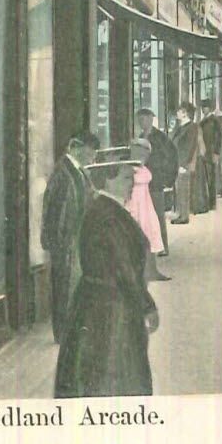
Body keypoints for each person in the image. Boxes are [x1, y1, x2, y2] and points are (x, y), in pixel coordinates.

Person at [54, 153, 159, 398]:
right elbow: (124, 269)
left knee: (92, 375)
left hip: (97, 305)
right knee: (114, 376)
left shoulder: (102, 208)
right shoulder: (109, 215)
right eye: (125, 177)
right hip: (112, 311)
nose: (132, 182)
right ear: (108, 181)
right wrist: (147, 306)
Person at [40, 131, 99, 344]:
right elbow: (53, 210)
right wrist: (56, 242)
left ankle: (71, 328)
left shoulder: (78, 171)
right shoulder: (63, 172)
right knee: (63, 286)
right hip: (65, 240)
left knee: (72, 285)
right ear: (77, 147)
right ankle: (62, 332)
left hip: (75, 238)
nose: (93, 158)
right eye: (90, 153)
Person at [124, 138, 169, 282]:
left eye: (145, 153)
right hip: (134, 202)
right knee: (138, 234)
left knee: (151, 232)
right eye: (140, 152)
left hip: (145, 203)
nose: (144, 156)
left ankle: (152, 270)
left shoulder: (142, 166)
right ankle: (138, 272)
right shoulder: (128, 167)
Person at [136, 107, 177, 252]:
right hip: (144, 179)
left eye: (144, 119)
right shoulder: (141, 137)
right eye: (140, 119)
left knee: (158, 214)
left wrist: (169, 178)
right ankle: (152, 245)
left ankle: (163, 246)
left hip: (156, 179)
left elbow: (172, 156)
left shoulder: (160, 137)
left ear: (151, 119)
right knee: (148, 214)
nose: (142, 122)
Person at [172, 102, 203, 224]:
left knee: (183, 189)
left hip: (183, 164)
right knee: (179, 189)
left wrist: (183, 165)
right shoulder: (180, 127)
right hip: (178, 162)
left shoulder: (191, 127)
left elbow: (190, 147)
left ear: (185, 113)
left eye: (179, 111)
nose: (177, 113)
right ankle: (181, 213)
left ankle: (184, 216)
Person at [200, 99, 222, 210]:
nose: (203, 109)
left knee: (211, 178)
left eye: (206, 107)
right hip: (203, 154)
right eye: (203, 107)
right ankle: (206, 202)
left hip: (211, 153)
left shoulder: (214, 121)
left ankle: (212, 203)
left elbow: (218, 138)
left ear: (210, 108)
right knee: (205, 178)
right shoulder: (203, 121)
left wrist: (216, 153)